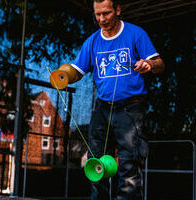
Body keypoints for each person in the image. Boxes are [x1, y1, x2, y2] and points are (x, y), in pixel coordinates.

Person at [67, 0, 165, 199]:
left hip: (131, 107)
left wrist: (148, 64)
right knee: (95, 161)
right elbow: (77, 71)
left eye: (106, 13)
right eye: (98, 14)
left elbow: (160, 64)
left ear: (118, 10)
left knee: (129, 162)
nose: (102, 19)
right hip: (102, 108)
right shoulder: (92, 41)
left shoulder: (136, 34)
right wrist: (63, 77)